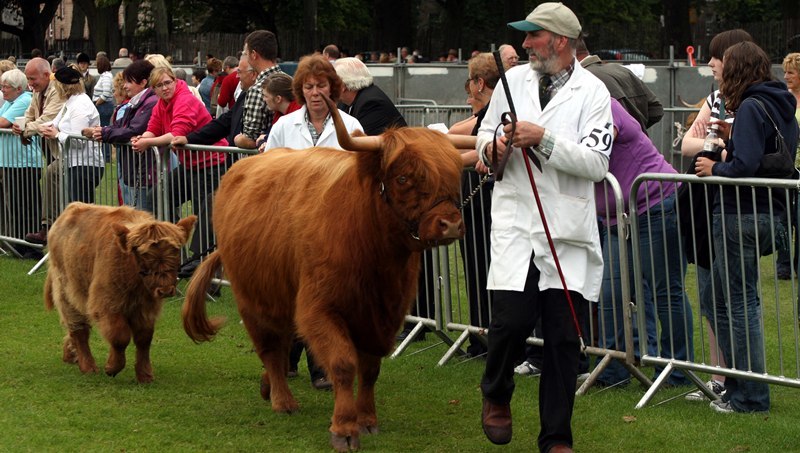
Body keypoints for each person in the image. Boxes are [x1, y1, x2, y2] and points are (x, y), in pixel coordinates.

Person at [474, 4, 613, 451]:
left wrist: (544, 140)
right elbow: (485, 137)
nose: (526, 44)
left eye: (533, 36)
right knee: (510, 323)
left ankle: (556, 436)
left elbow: (596, 162)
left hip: (567, 232)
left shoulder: (594, 93)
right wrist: (493, 147)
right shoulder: (511, 83)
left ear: (559, 40)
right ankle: (496, 392)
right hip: (517, 222)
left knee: (563, 339)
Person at [694, 42, 798, 414]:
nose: (716, 69)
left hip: (740, 214)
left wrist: (715, 168)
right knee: (732, 301)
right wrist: (730, 145)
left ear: (739, 69)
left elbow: (745, 167)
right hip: (767, 213)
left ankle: (751, 397)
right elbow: (760, 157)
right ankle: (739, 387)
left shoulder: (753, 106)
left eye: (724, 65)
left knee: (739, 303)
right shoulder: (779, 103)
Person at [263, 55, 363, 390]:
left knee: (324, 296)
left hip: (335, 226)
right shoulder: (283, 127)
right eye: (308, 86)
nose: (315, 92)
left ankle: (320, 366)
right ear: (300, 90)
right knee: (289, 293)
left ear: (333, 88)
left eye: (321, 85)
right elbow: (268, 175)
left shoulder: (351, 126)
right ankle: (284, 359)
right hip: (289, 225)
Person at [592, 95, 694, 387]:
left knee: (667, 292)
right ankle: (614, 371)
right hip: (615, 216)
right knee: (611, 294)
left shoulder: (604, 105)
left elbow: (593, 153)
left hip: (655, 203)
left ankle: (677, 372)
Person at [680, 29, 754, 402]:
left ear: (734, 59)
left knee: (733, 298)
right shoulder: (714, 98)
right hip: (707, 207)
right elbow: (687, 144)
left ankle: (741, 379)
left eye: (716, 56)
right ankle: (718, 374)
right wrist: (717, 142)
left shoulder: (751, 103)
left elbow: (734, 150)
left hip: (734, 209)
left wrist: (717, 146)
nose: (710, 64)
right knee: (709, 292)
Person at [131, 66, 227, 277]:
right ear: (154, 89)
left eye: (167, 83)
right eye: (159, 85)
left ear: (175, 81)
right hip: (190, 165)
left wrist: (147, 142)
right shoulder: (162, 104)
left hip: (212, 164)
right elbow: (153, 127)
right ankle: (180, 256)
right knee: (156, 196)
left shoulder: (184, 99)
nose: (165, 88)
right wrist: (143, 138)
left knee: (205, 218)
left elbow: (176, 134)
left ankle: (208, 274)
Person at [446, 53, 498, 358]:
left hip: (486, 199)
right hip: (478, 199)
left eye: (470, 81)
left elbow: (482, 151)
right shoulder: (487, 111)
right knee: (478, 270)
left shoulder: (493, 110)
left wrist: (444, 160)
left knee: (485, 270)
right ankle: (480, 336)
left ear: (479, 83)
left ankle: (487, 337)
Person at [83, 60, 159, 212]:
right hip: (134, 170)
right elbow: (122, 127)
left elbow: (133, 130)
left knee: (141, 219)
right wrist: (103, 131)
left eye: (129, 82)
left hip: (143, 172)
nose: (124, 86)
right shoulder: (135, 102)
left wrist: (104, 133)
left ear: (143, 82)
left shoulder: (150, 103)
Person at [13, 57, 66, 246]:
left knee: (62, 190)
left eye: (33, 79)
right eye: (27, 79)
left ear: (47, 75)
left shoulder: (57, 91)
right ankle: (52, 230)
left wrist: (24, 129)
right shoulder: (38, 91)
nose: (30, 84)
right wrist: (21, 126)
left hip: (67, 152)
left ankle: (49, 228)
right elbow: (30, 114)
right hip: (51, 150)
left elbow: (47, 119)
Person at [172, 55, 259, 167]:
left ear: (253, 74)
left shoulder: (231, 84)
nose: (237, 76)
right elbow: (225, 122)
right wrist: (190, 139)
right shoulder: (244, 94)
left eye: (240, 72)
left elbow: (222, 104)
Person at [38, 66, 103, 204]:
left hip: (84, 165)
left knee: (82, 211)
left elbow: (79, 141)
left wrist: (56, 135)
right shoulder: (71, 102)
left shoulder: (80, 105)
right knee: (77, 209)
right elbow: (55, 123)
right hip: (75, 164)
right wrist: (36, 128)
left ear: (61, 86)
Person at [575, 37, 663, 133]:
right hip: (639, 144)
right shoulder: (621, 70)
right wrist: (636, 130)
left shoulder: (583, 78)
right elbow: (656, 110)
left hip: (612, 146)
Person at [0, 68, 43, 259]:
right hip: (10, 162)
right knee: (13, 206)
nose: (2, 90)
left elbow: (1, 122)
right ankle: (16, 244)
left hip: (24, 163)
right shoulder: (10, 102)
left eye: (6, 86)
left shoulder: (24, 100)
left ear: (18, 88)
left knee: (25, 206)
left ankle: (28, 247)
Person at [334, 57, 407, 135]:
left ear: (342, 86)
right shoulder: (345, 102)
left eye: (331, 81)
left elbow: (358, 142)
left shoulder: (370, 104)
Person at [236, 30, 283, 149]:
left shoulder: (258, 89)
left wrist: (237, 140)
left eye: (246, 54)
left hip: (261, 161)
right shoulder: (288, 80)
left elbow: (251, 139)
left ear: (253, 54)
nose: (245, 57)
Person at [775, 52, 800, 279]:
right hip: (786, 167)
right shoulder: (784, 99)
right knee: (783, 218)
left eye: (790, 72)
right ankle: (783, 265)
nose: (786, 76)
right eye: (785, 72)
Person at [254, 72, 301, 152]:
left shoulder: (297, 116)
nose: (264, 99)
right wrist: (265, 140)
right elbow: (265, 137)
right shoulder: (279, 115)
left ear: (278, 99)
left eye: (266, 96)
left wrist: (265, 139)